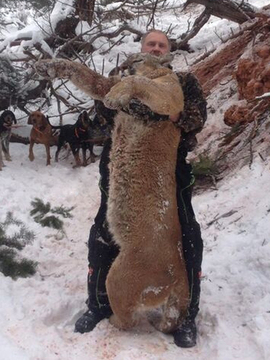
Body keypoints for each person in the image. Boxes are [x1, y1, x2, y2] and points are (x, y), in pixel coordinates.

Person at [75, 29, 207, 348]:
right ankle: (99, 304)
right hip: (122, 162)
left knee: (186, 235)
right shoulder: (120, 76)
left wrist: (156, 106)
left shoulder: (184, 81)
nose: (157, 48)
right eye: (151, 43)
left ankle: (186, 314)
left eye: (162, 44)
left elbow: (193, 118)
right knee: (105, 233)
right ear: (141, 47)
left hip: (166, 167)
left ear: (169, 51)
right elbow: (104, 109)